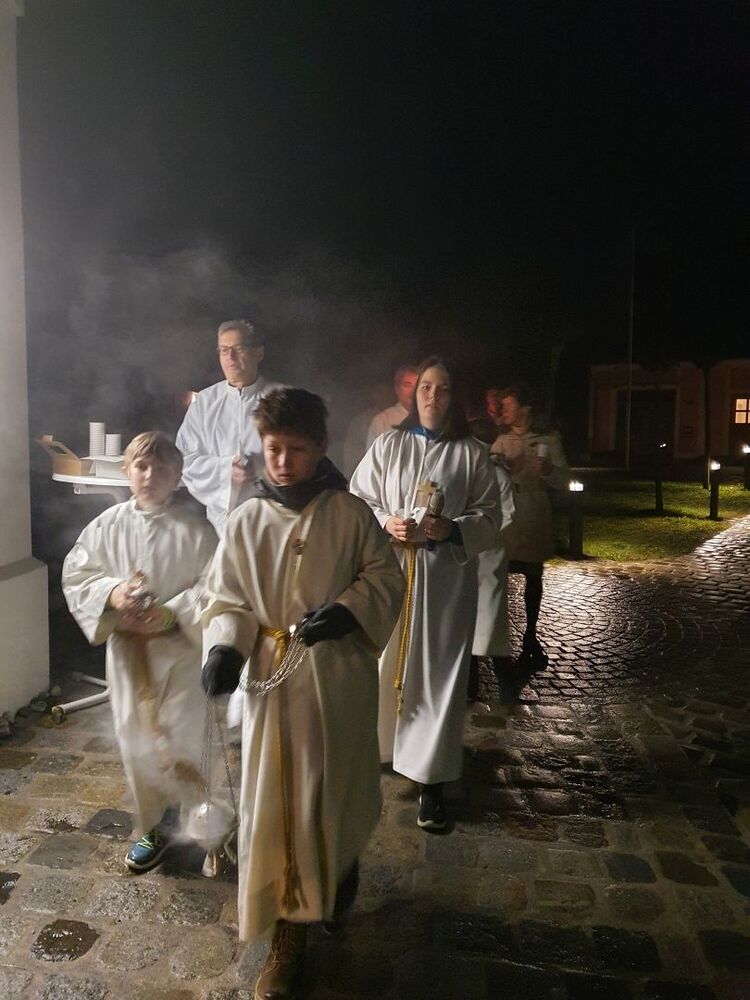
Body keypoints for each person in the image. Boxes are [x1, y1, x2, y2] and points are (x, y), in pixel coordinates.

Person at [200, 388, 404, 1000]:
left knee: (334, 792)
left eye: (295, 449)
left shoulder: (350, 514)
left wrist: (347, 610)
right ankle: (288, 938)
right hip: (275, 682)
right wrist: (225, 647)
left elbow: (385, 577)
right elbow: (228, 596)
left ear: (319, 447)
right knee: (281, 808)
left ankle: (338, 868)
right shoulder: (246, 519)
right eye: (273, 450)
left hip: (336, 678)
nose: (283, 462)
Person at [350, 356, 501, 831]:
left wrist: (452, 529)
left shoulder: (472, 454)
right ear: (414, 396)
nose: (433, 396)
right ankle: (380, 750)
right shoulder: (389, 444)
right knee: (383, 663)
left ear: (455, 397)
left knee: (438, 674)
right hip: (392, 573)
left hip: (444, 584)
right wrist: (386, 522)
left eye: (443, 388)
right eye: (426, 388)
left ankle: (431, 781)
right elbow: (360, 497)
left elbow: (491, 516)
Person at [62, 432, 217, 872]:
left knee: (185, 738)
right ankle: (156, 826)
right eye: (142, 467)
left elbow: (216, 586)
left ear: (178, 476)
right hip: (129, 654)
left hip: (181, 654)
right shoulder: (107, 526)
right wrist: (112, 594)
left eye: (161, 469)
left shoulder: (197, 531)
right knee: (138, 744)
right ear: (127, 472)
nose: (150, 476)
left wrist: (172, 613)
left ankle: (201, 825)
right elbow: (77, 574)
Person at [176, 318, 284, 533]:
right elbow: (185, 459)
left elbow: (300, 455)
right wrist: (227, 470)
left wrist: (259, 468)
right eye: (224, 351)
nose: (230, 358)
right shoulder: (204, 402)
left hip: (273, 520)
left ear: (258, 353)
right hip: (219, 523)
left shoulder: (282, 398)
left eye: (238, 349)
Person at [491, 383, 569, 665]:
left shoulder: (547, 439)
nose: (503, 409)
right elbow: (487, 476)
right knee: (499, 577)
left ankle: (531, 634)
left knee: (534, 576)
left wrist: (549, 470)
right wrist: (499, 468)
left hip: (535, 514)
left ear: (525, 409)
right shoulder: (501, 440)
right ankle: (497, 638)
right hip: (508, 517)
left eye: (509, 404)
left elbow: (563, 480)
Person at [365, 364, 418, 446]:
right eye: (407, 385)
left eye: (418, 385)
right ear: (397, 388)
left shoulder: (433, 418)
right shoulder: (382, 421)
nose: (413, 391)